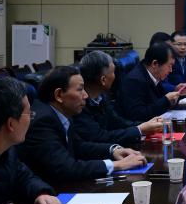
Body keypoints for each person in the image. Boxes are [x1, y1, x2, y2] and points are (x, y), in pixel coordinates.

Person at [18, 66, 146, 184]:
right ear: (59, 95)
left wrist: (113, 150)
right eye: (80, 90)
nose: (85, 95)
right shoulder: (42, 121)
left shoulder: (62, 112)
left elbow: (79, 146)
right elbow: (66, 168)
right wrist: (117, 165)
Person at [76, 50, 164, 148]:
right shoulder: (78, 105)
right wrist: (139, 129)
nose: (115, 76)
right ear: (103, 80)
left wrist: (147, 124)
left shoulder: (102, 96)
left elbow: (117, 122)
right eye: (113, 72)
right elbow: (100, 137)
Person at [118, 42, 186, 121]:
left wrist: (178, 94)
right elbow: (137, 115)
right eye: (170, 65)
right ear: (155, 64)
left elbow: (158, 102)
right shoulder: (134, 81)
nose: (171, 70)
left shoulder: (154, 75)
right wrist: (166, 100)